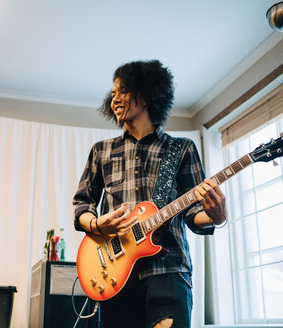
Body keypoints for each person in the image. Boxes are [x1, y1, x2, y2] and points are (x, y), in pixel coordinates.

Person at [73, 60, 227, 328]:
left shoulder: (182, 148)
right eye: (112, 93)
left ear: (145, 94)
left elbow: (193, 214)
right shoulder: (102, 151)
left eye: (122, 91)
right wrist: (97, 224)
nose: (114, 99)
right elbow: (82, 204)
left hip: (168, 270)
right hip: (116, 274)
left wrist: (215, 216)